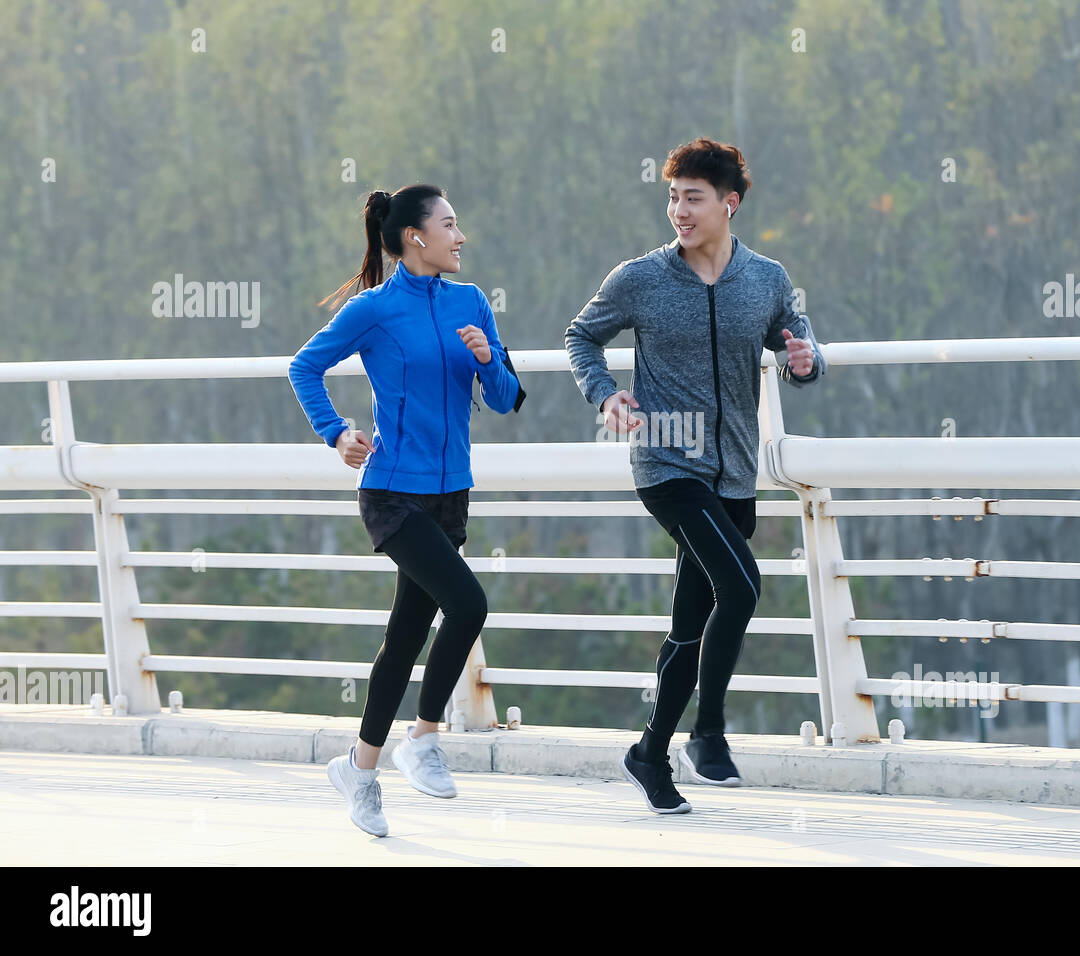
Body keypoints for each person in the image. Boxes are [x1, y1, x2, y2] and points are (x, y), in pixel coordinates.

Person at [565, 138, 827, 813]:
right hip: (666, 463)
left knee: (689, 624)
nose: (678, 210)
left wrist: (804, 360)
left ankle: (650, 753)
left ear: (728, 203)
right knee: (740, 588)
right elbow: (581, 336)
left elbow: (797, 338)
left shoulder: (766, 277)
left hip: (735, 473)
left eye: (693, 197)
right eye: (672, 197)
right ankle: (708, 734)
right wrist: (606, 395)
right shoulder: (641, 278)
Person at [288, 184, 525, 837]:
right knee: (469, 604)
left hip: (451, 494)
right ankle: (422, 737)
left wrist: (486, 358)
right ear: (416, 236)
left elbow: (507, 396)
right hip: (392, 491)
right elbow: (304, 367)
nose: (461, 236)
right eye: (450, 225)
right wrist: (336, 431)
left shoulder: (470, 302)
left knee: (405, 636)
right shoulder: (375, 310)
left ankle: (359, 773)